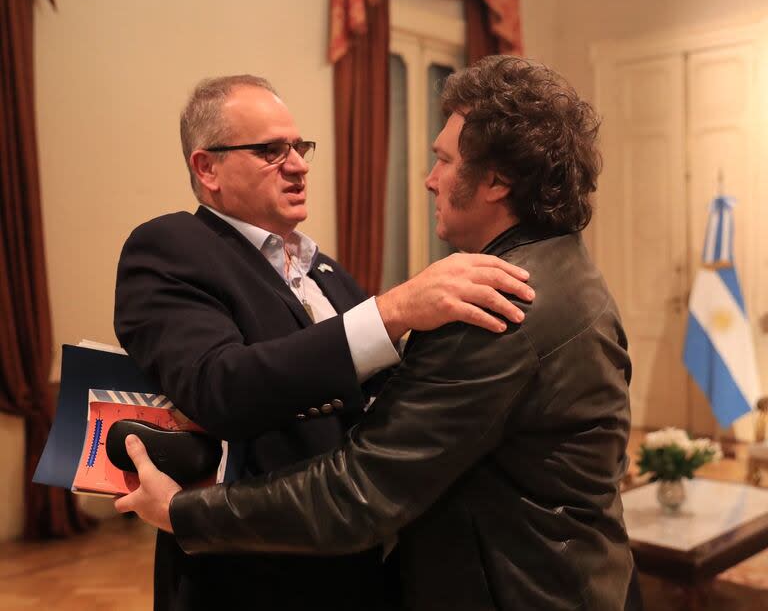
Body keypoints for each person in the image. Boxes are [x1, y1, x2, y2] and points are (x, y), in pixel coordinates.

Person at [117, 56, 641, 610]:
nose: (297, 165)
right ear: (208, 169)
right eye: (271, 151)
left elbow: (381, 449)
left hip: (362, 564)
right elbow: (218, 386)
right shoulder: (173, 248)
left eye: (300, 148)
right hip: (252, 577)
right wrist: (392, 310)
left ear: (496, 180)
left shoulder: (333, 272)